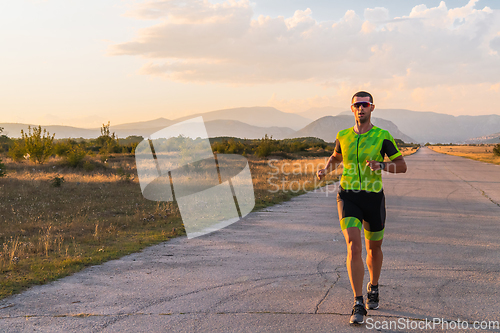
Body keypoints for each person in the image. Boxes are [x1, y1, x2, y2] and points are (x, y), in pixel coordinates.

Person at [316, 91, 407, 325]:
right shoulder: (343, 135)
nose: (361, 108)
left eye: (365, 104)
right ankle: (358, 302)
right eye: (357, 105)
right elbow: (336, 156)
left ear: (372, 108)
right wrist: (326, 169)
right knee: (353, 246)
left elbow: (402, 166)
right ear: (352, 108)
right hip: (348, 195)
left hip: (373, 199)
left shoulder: (382, 136)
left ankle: (373, 286)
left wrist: (382, 165)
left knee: (373, 250)